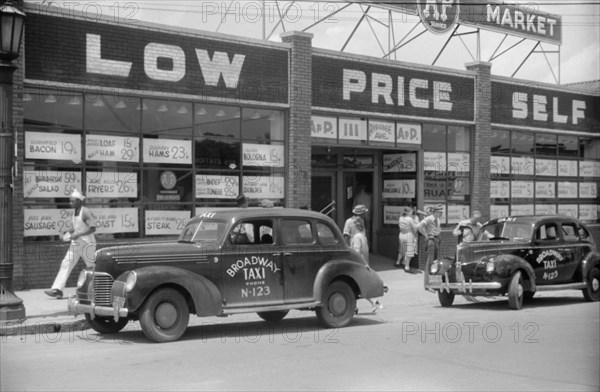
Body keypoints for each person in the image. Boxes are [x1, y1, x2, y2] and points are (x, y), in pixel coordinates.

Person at [45, 189, 97, 299]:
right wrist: (67, 232)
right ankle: (57, 289)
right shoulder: (74, 213)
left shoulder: (86, 212)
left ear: (79, 201)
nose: (70, 203)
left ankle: (98, 288)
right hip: (76, 244)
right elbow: (75, 228)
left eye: (72, 201)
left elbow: (92, 228)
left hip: (87, 244)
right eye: (70, 201)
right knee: (66, 263)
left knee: (92, 267)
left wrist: (78, 234)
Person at [350, 218, 382, 313]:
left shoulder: (356, 237)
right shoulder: (363, 236)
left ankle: (372, 302)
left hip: (357, 264)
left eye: (352, 225)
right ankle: (356, 307)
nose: (351, 227)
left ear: (355, 226)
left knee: (354, 285)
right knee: (356, 285)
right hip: (364, 264)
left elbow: (357, 252)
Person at [417, 204, 444, 269]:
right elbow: (419, 226)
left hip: (436, 238)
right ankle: (428, 271)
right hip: (431, 239)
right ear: (436, 212)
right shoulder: (429, 218)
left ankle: (433, 270)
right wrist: (425, 235)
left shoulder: (437, 219)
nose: (441, 213)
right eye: (440, 212)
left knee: (435, 256)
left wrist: (438, 232)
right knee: (430, 256)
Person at [396, 207, 418, 273]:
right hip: (409, 235)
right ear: (408, 212)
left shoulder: (401, 218)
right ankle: (407, 266)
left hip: (401, 235)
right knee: (409, 251)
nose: (412, 212)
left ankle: (397, 262)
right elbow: (415, 228)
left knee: (402, 250)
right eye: (411, 211)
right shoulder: (410, 219)